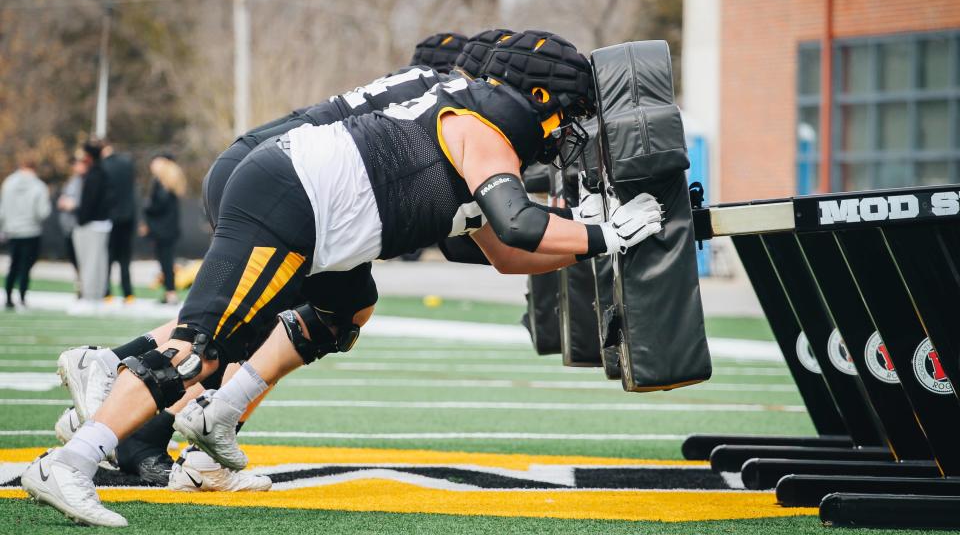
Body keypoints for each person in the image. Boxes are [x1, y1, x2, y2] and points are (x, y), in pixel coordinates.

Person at [23, 29, 663, 527]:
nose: (572, 133)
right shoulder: (483, 122)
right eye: (572, 115)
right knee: (195, 346)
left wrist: (591, 242)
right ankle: (72, 458)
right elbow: (520, 224)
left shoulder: (481, 125)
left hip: (313, 215)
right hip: (289, 199)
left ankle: (214, 412)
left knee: (341, 311)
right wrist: (608, 231)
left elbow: (505, 253)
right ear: (541, 100)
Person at [52, 32, 480, 490]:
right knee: (283, 323)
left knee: (286, 318)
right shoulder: (438, 101)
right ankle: (128, 399)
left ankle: (160, 429)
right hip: (279, 190)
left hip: (265, 174)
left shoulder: (405, 91)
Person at [0, 152, 51, 310]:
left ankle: (8, 297)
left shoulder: (8, 183)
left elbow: (2, 210)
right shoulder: (39, 186)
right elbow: (42, 212)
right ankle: (22, 297)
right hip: (31, 231)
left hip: (13, 230)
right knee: (25, 267)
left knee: (13, 265)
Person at [71, 141, 112, 308]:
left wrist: (80, 218)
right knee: (97, 261)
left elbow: (89, 202)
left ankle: (90, 296)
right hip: (101, 223)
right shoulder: (102, 172)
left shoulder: (94, 175)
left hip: (92, 224)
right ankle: (96, 295)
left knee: (90, 262)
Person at [141, 154, 185, 305]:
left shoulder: (164, 184)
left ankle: (171, 293)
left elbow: (156, 206)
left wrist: (147, 207)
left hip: (164, 230)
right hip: (166, 229)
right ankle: (169, 292)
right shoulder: (167, 183)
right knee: (165, 262)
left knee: (166, 261)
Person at [101, 141, 137, 303]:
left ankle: (107, 291)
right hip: (128, 217)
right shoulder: (127, 163)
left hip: (110, 218)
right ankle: (128, 293)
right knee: (125, 259)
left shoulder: (103, 166)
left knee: (107, 257)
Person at [57, 154, 86, 295]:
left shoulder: (87, 180)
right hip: (68, 227)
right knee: (74, 260)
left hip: (80, 227)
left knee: (83, 260)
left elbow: (86, 202)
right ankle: (80, 284)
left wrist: (73, 205)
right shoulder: (72, 180)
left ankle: (84, 287)